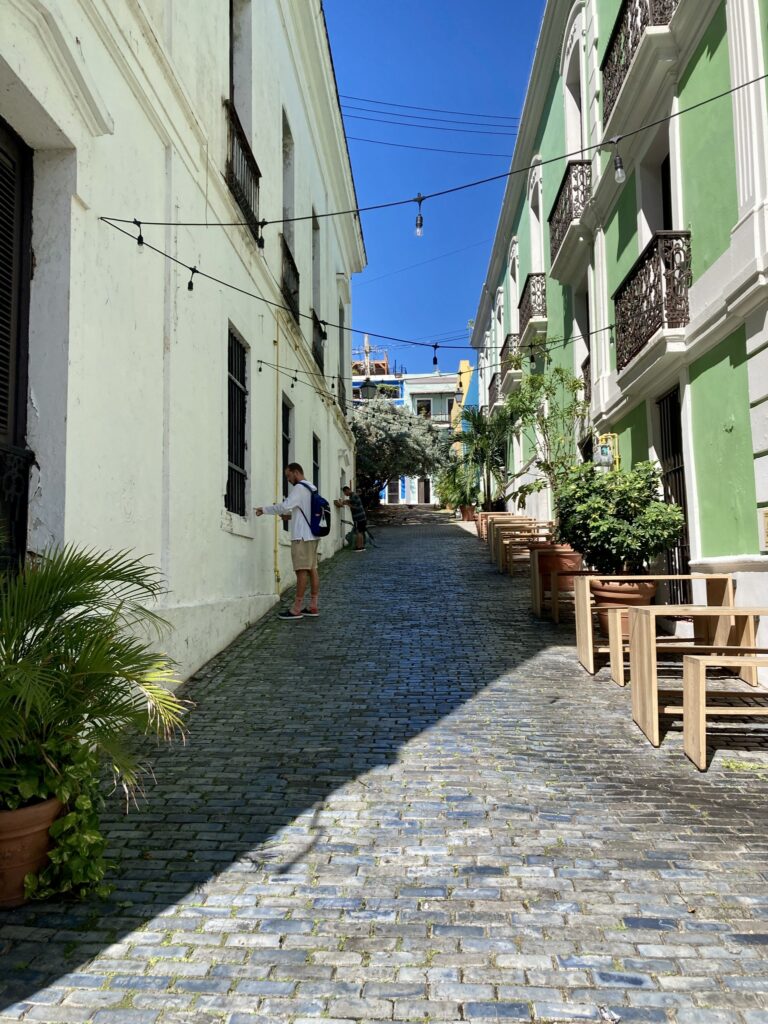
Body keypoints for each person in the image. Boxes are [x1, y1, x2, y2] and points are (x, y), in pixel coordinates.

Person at [254, 463, 319, 620]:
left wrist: (264, 509)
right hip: (312, 535)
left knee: (301, 571)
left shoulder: (299, 488)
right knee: (312, 570)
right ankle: (313, 606)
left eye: (288, 476)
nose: (288, 480)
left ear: (296, 472)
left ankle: (296, 609)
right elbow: (306, 511)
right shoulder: (312, 487)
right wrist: (290, 517)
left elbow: (284, 506)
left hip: (301, 537)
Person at [336, 485, 367, 551]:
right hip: (362, 516)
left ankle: (358, 547)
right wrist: (348, 501)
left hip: (358, 517)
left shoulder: (353, 496)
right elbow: (353, 502)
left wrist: (347, 504)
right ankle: (362, 547)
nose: (345, 494)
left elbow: (355, 507)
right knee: (361, 532)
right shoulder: (353, 495)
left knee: (358, 532)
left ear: (347, 490)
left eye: (345, 492)